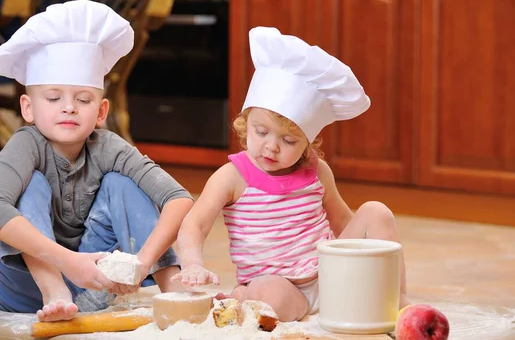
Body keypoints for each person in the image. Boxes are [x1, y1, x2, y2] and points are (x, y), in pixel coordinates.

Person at [171, 26, 409, 322]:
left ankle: (396, 302)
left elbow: (343, 221)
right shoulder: (232, 177)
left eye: (288, 141)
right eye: (261, 132)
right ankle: (246, 297)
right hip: (278, 286)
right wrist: (192, 264)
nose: (271, 147)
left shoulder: (317, 171)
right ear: (246, 124)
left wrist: (358, 256)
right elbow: (195, 224)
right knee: (268, 295)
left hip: (329, 277)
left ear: (308, 142)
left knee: (376, 211)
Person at [0, 0, 193, 322]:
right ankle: (54, 290)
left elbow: (179, 198)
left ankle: (176, 293)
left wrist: (142, 263)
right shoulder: (25, 144)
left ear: (101, 111)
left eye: (83, 99)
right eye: (53, 98)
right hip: (17, 288)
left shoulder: (108, 146)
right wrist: (66, 262)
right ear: (28, 108)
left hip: (91, 288)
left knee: (122, 183)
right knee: (30, 183)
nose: (69, 108)